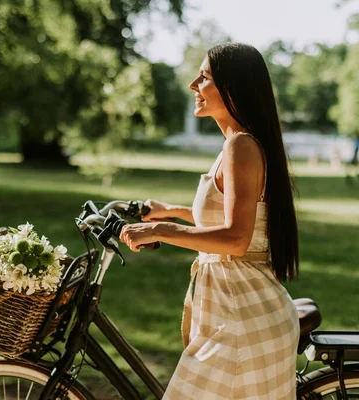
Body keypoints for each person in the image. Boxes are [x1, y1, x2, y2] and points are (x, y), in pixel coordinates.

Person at [120, 43, 300, 399]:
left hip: (240, 321)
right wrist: (170, 210)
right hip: (235, 313)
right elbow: (239, 216)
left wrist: (161, 230)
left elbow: (236, 238)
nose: (192, 85)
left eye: (204, 77)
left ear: (233, 88)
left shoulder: (241, 147)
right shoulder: (235, 144)